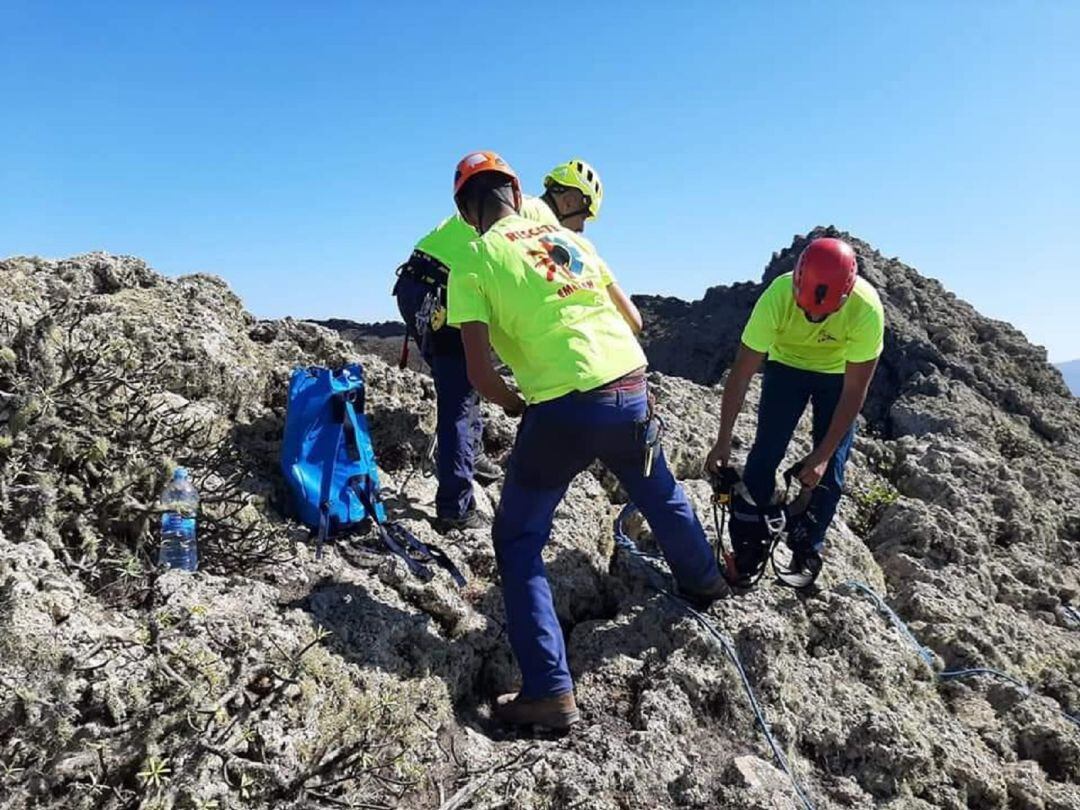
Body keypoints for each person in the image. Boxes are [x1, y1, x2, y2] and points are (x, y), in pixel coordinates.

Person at [447, 151, 725, 730]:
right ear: (515, 192)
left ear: (468, 210)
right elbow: (631, 318)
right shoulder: (572, 243)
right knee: (658, 489)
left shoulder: (474, 257)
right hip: (628, 385)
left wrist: (517, 403)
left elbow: (478, 373)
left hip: (561, 407)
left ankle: (549, 691)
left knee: (519, 538)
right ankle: (704, 580)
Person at [392, 159, 605, 533]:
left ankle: (468, 458)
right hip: (438, 288)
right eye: (584, 216)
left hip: (419, 284)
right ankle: (455, 507)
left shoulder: (522, 208)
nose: (582, 228)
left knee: (464, 382)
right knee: (459, 388)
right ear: (571, 200)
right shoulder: (539, 220)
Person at [704, 237, 885, 584]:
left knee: (829, 469)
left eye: (824, 312)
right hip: (786, 368)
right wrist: (723, 439)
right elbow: (742, 372)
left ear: (845, 298)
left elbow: (854, 392)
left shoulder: (866, 308)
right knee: (765, 453)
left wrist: (820, 456)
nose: (814, 316)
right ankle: (748, 550)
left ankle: (807, 550)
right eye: (806, 309)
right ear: (798, 284)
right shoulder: (777, 295)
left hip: (837, 376)